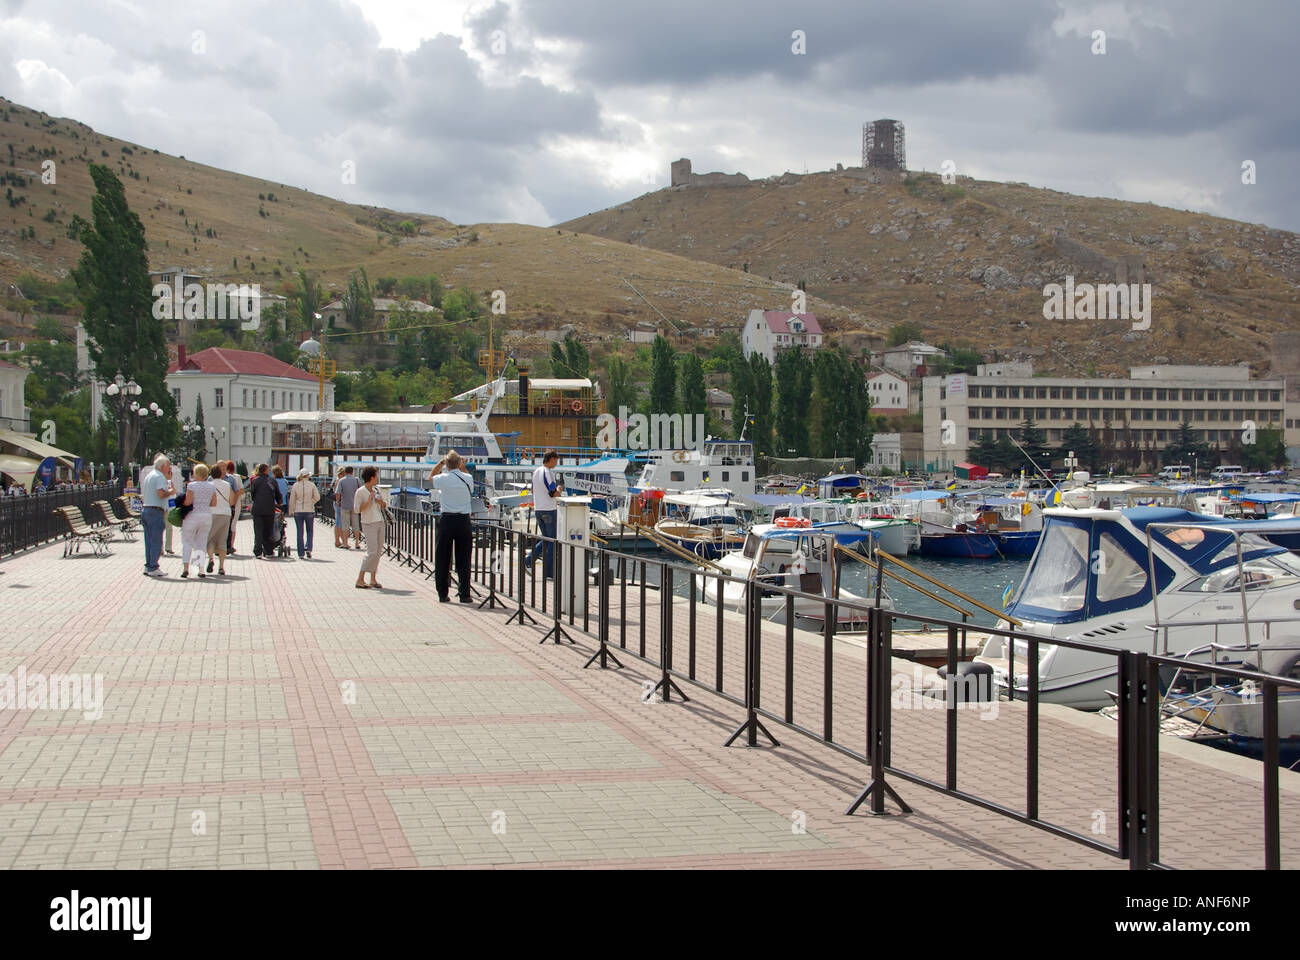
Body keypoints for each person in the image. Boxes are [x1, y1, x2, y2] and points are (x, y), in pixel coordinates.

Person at [429, 450, 475, 603]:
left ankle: (442, 593)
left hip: (447, 519)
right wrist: (462, 467)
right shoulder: (468, 477)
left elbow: (431, 477)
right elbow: (469, 482)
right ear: (459, 463)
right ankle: (464, 594)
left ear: (447, 464)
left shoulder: (442, 478)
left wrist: (441, 463)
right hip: (463, 520)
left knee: (442, 558)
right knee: (464, 558)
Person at [526, 450, 562, 579]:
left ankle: (529, 560)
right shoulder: (548, 473)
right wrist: (559, 489)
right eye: (556, 461)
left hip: (538, 509)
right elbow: (552, 493)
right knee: (552, 540)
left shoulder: (536, 472)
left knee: (546, 538)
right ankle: (549, 572)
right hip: (549, 509)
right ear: (551, 459)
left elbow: (533, 489)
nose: (556, 464)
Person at [179, 463, 219, 578]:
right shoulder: (211, 486)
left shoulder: (192, 486)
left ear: (196, 473)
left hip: (192, 515)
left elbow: (188, 502)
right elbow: (214, 503)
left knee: (187, 541)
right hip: (206, 515)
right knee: (201, 542)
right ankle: (200, 569)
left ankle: (186, 568)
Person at [139, 454, 176, 577]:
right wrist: (171, 491)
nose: (170, 468)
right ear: (163, 466)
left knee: (148, 540)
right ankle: (153, 566)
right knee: (156, 540)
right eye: (168, 465)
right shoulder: (160, 476)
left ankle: (148, 565)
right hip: (156, 511)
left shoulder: (150, 475)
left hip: (146, 509)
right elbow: (161, 493)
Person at [353, 465, 388, 589]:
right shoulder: (360, 491)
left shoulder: (376, 490)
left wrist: (380, 502)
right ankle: (360, 578)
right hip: (368, 523)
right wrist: (368, 501)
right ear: (371, 477)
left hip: (379, 521)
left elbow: (384, 505)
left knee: (378, 551)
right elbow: (357, 509)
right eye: (376, 475)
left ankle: (373, 579)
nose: (378, 478)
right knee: (372, 551)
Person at [205, 462, 235, 575]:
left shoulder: (209, 485)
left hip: (212, 513)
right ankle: (221, 567)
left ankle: (211, 559)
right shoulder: (227, 485)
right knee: (222, 540)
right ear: (221, 474)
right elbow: (232, 501)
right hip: (226, 513)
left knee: (210, 539)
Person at [248, 462, 282, 558]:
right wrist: (279, 502)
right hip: (269, 509)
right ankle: (268, 550)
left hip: (257, 509)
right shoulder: (272, 481)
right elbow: (277, 494)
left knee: (258, 530)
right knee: (268, 530)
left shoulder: (255, 480)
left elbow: (253, 494)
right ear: (266, 470)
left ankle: (258, 552)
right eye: (269, 469)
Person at [288, 469, 320, 559]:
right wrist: (311, 502)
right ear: (307, 476)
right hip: (309, 510)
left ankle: (300, 553)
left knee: (299, 532)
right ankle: (309, 548)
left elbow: (292, 499)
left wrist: (291, 510)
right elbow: (317, 497)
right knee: (310, 531)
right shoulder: (312, 485)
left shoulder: (295, 485)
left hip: (298, 511)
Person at [335, 466, 362, 549]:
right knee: (355, 524)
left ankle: (345, 543)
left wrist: (338, 501)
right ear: (352, 472)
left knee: (345, 525)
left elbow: (338, 492)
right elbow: (360, 490)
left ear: (345, 472)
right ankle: (357, 543)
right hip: (354, 505)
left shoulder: (341, 481)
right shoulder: (356, 480)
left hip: (344, 505)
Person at [164, 464, 186, 556]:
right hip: (163, 507)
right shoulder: (163, 482)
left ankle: (168, 547)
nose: (171, 474)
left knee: (169, 528)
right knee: (163, 528)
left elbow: (173, 494)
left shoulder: (170, 482)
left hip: (169, 507)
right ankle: (162, 547)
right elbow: (171, 493)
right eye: (169, 472)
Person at [225, 461, 244, 554]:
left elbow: (241, 490)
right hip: (234, 504)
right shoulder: (237, 477)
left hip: (234, 503)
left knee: (232, 524)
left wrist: (232, 492)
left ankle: (230, 545)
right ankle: (230, 545)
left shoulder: (236, 477)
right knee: (232, 525)